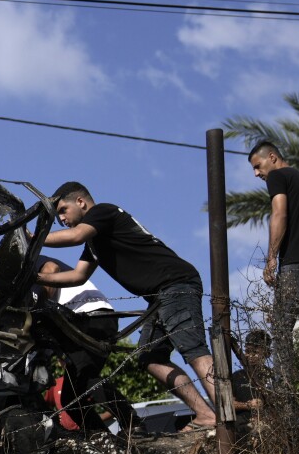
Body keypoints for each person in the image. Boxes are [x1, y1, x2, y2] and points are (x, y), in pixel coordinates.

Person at [36, 182, 218, 431]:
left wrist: (34, 239)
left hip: (175, 283)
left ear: (80, 201)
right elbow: (77, 276)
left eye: (63, 210)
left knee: (192, 347)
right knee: (150, 359)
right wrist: (37, 279)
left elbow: (75, 236)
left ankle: (226, 411)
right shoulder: (95, 242)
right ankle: (206, 415)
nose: (62, 219)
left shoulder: (103, 212)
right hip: (158, 297)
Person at [248, 141, 299, 417]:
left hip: (296, 266)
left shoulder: (279, 177)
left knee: (282, 331)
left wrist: (271, 257)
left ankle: (286, 404)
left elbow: (279, 213)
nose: (257, 174)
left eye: (258, 166)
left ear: (272, 158)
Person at [36, 256, 137, 434]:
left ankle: (133, 424)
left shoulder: (28, 263)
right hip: (81, 322)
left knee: (85, 377)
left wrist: (37, 305)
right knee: (71, 397)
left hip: (90, 316)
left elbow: (51, 268)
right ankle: (101, 437)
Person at [231, 328, 272, 424]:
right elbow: (228, 404)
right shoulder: (237, 376)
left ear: (267, 353)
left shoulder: (272, 376)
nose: (250, 356)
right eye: (247, 351)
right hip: (242, 424)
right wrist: (247, 405)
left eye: (255, 352)